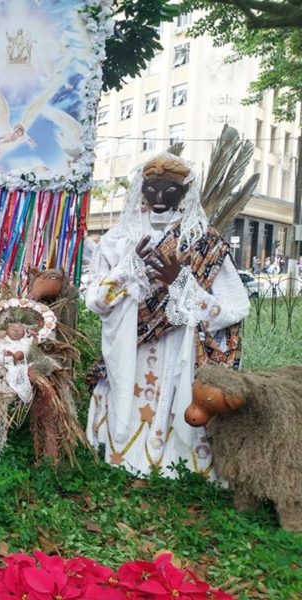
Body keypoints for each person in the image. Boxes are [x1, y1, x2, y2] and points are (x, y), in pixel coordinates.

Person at [85, 153, 249, 480]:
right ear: (140, 191)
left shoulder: (206, 242)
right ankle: (121, 454)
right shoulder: (118, 240)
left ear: (185, 193)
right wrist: (126, 271)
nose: (159, 199)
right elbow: (95, 301)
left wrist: (182, 284)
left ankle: (176, 466)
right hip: (130, 348)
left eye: (170, 190)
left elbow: (236, 307)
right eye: (152, 189)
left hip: (180, 351)